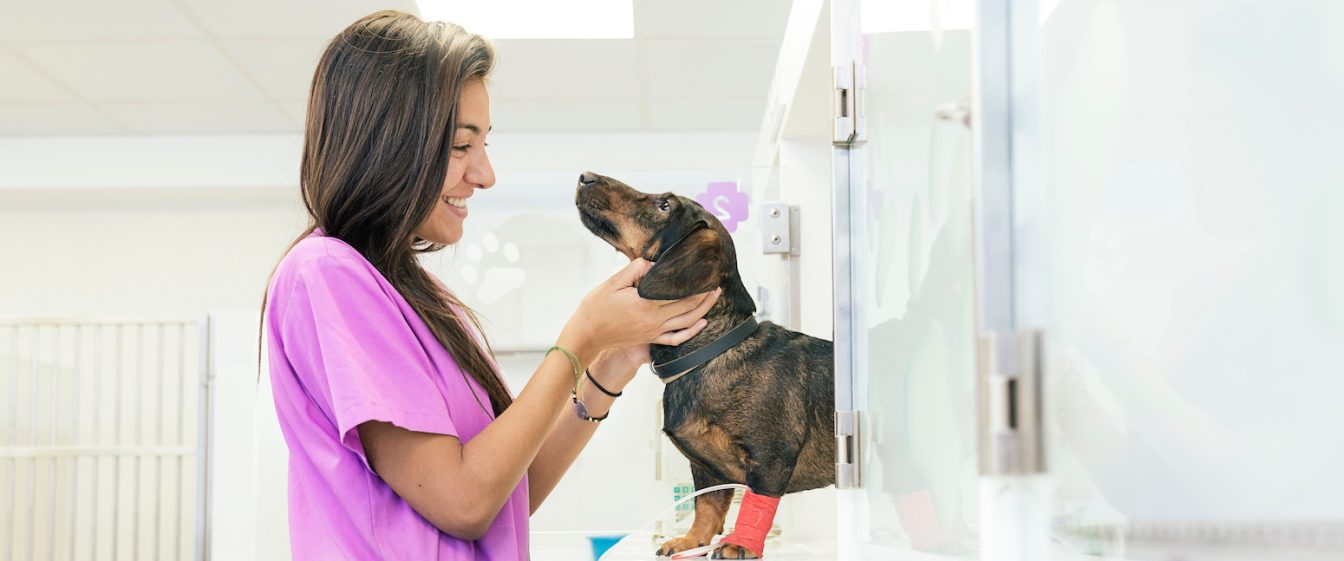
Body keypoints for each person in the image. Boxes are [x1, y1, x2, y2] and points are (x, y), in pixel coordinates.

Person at [261, 10, 720, 559]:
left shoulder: (421, 298)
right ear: (386, 145)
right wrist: (579, 336)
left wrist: (609, 360)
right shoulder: (326, 277)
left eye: (484, 145)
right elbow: (463, 503)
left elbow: (502, 500)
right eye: (460, 146)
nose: (485, 174)